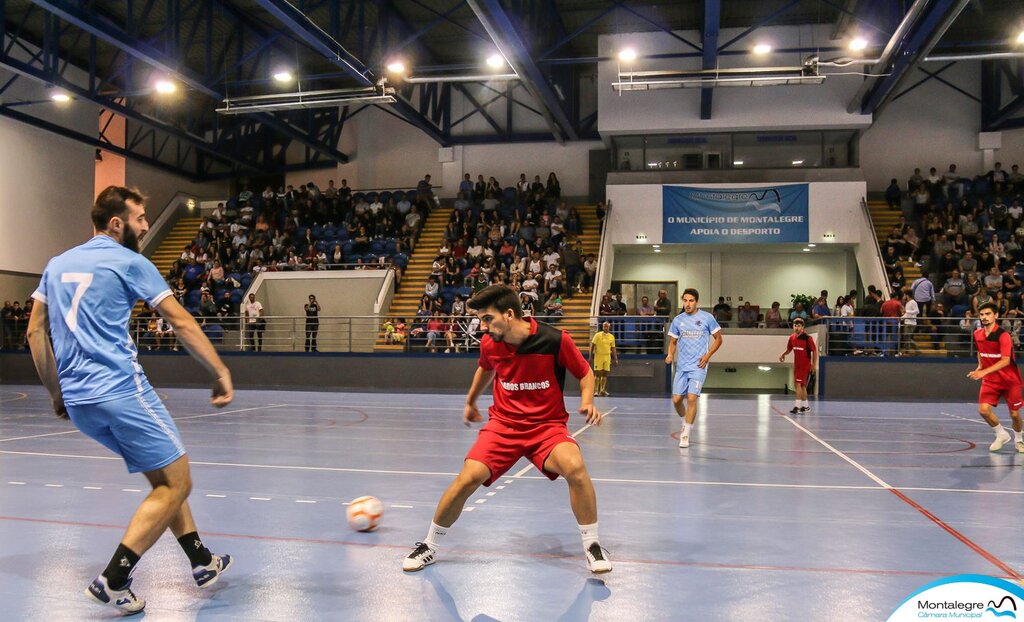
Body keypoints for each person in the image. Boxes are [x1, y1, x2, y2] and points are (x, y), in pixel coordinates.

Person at [26, 186, 234, 615]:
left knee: (163, 477)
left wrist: (55, 393)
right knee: (178, 483)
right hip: (121, 391)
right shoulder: (130, 262)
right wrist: (220, 371)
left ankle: (200, 561)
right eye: (140, 218)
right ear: (116, 223)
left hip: (82, 403)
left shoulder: (57, 264)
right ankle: (114, 579)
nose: (144, 225)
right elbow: (179, 320)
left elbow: (34, 333)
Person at [402, 284, 611, 574]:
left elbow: (585, 372)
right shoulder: (490, 343)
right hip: (503, 426)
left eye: (487, 318)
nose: (483, 326)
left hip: (546, 427)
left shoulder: (555, 340)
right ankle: (429, 545)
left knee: (575, 467)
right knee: (467, 478)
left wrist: (588, 401)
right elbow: (485, 368)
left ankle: (592, 545)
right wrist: (471, 401)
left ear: (509, 314)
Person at [665, 289, 723, 448]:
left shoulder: (707, 318)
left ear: (696, 301)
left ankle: (686, 434)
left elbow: (718, 339)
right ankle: (685, 421)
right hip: (682, 366)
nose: (687, 304)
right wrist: (670, 354)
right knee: (676, 400)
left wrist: (707, 355)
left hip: (699, 365)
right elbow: (673, 342)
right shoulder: (678, 320)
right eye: (685, 300)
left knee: (691, 398)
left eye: (691, 301)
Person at [968, 302, 1024, 453]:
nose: (984, 317)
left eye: (988, 314)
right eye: (982, 314)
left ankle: (1019, 438)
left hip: (1010, 381)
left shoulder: (1003, 336)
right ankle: (1001, 434)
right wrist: (980, 366)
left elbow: (1005, 360)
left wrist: (983, 372)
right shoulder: (977, 333)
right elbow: (980, 351)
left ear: (996, 315)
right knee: (983, 411)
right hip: (991, 380)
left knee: (1014, 414)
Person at [779, 318, 817, 414]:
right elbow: (789, 349)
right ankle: (806, 406)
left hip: (805, 365)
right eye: (795, 325)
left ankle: (797, 406)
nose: (797, 327)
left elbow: (814, 351)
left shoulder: (808, 338)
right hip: (797, 365)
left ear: (803, 327)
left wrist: (814, 365)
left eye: (799, 326)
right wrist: (783, 354)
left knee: (797, 384)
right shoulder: (792, 337)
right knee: (802, 386)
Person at [590, 321, 618, 397]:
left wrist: (615, 359)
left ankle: (602, 390)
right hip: (598, 356)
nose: (605, 327)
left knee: (605, 373)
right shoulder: (597, 335)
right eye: (604, 326)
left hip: (607, 356)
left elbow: (613, 348)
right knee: (597, 373)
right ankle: (596, 391)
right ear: (602, 327)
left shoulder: (611, 337)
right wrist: (590, 357)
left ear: (609, 327)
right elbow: (592, 346)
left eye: (607, 326)